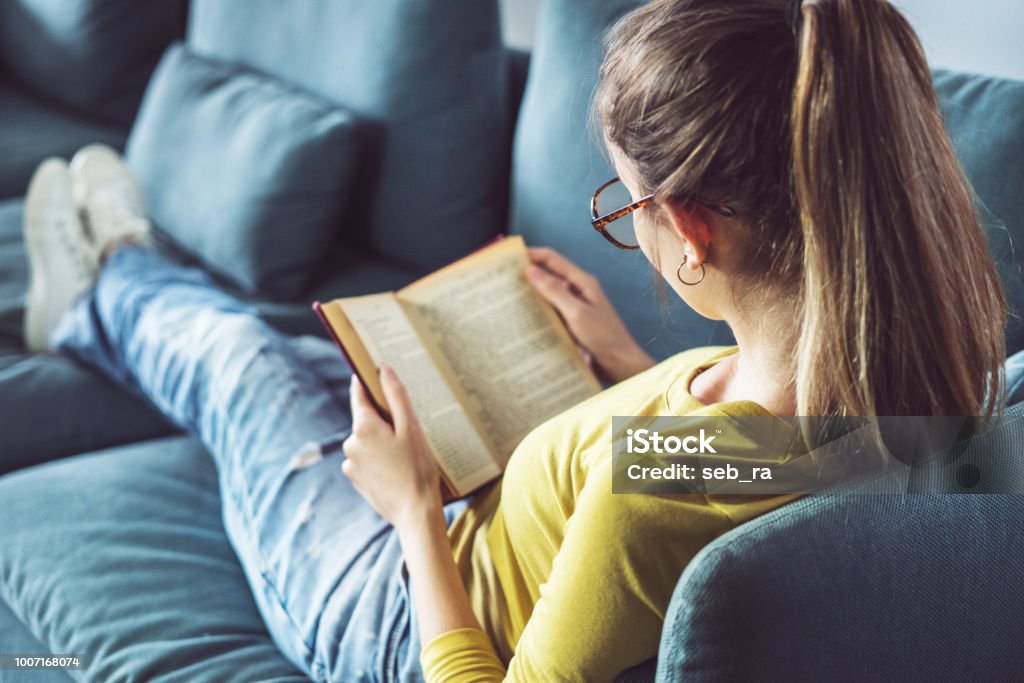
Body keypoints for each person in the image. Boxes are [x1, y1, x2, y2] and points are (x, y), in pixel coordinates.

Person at [20, 0, 1006, 680]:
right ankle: (125, 278)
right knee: (322, 359)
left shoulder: (644, 499)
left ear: (694, 231)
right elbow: (731, 459)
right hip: (484, 532)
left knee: (243, 365)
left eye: (629, 210)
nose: (627, 222)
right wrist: (628, 367)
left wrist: (410, 511)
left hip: (400, 609)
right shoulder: (913, 401)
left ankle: (98, 285)